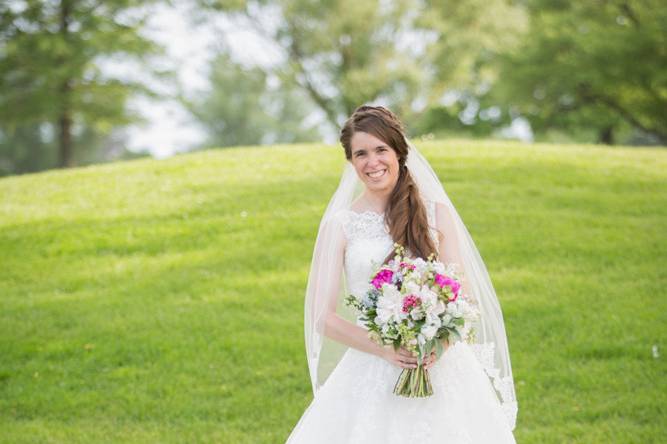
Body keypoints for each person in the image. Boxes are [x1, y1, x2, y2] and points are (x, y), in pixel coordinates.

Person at [286, 105, 518, 443]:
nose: (372, 162)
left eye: (381, 149)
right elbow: (323, 317)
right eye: (361, 153)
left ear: (399, 152)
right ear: (351, 162)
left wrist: (440, 344)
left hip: (443, 366)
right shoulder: (341, 225)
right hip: (372, 366)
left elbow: (464, 300)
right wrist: (383, 349)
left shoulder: (436, 214)